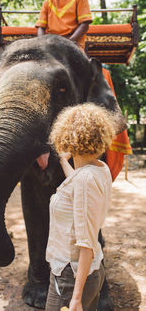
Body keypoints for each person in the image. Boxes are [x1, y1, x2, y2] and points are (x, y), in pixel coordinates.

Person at [45, 103, 116, 311]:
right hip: (88, 271)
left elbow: (85, 243)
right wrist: (63, 161)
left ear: (67, 136)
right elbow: (79, 185)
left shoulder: (85, 178)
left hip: (72, 276)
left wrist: (76, 298)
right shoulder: (99, 169)